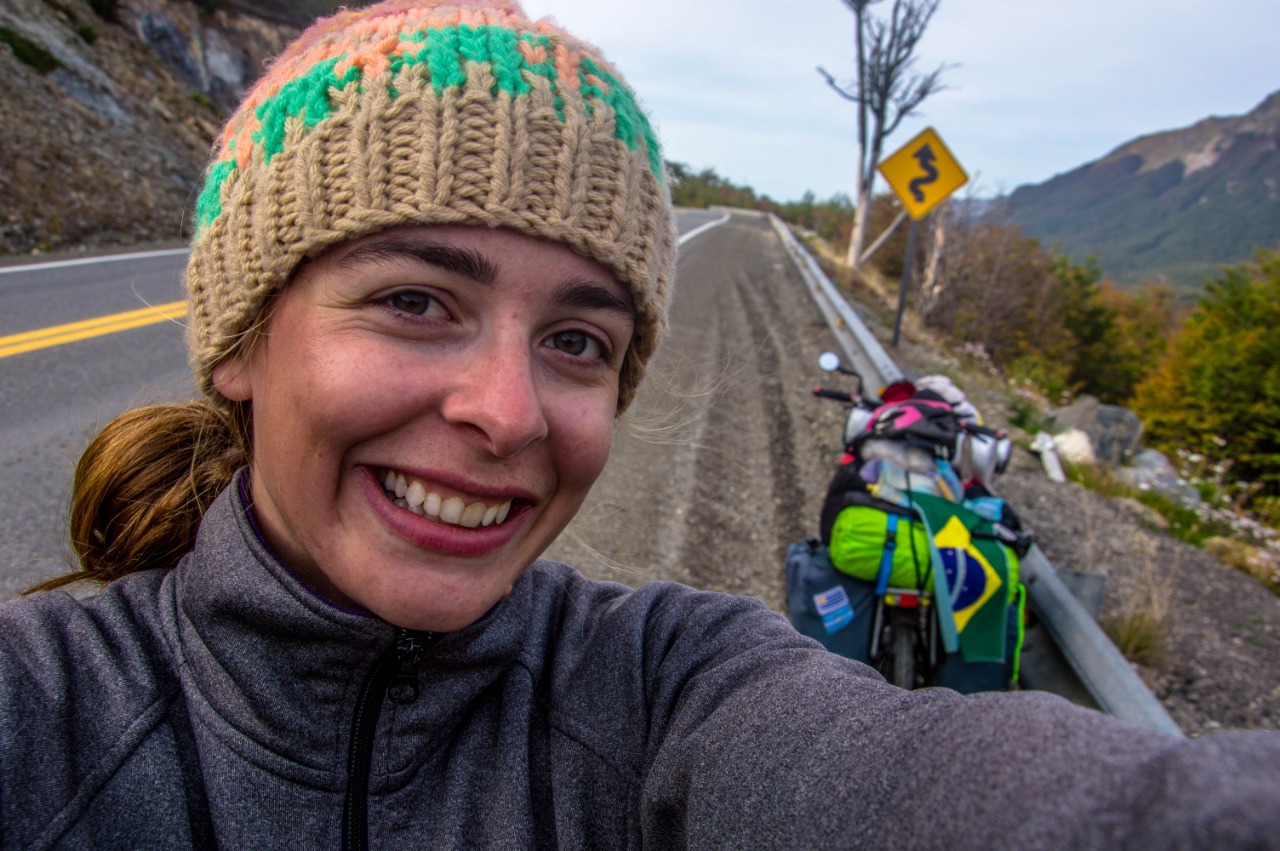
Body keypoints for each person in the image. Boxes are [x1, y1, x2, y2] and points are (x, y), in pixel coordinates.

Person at [2, 1, 1278, 847]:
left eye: (577, 340)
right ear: (240, 342)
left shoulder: (667, 689)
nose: (504, 411)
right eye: (412, 299)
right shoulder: (43, 711)